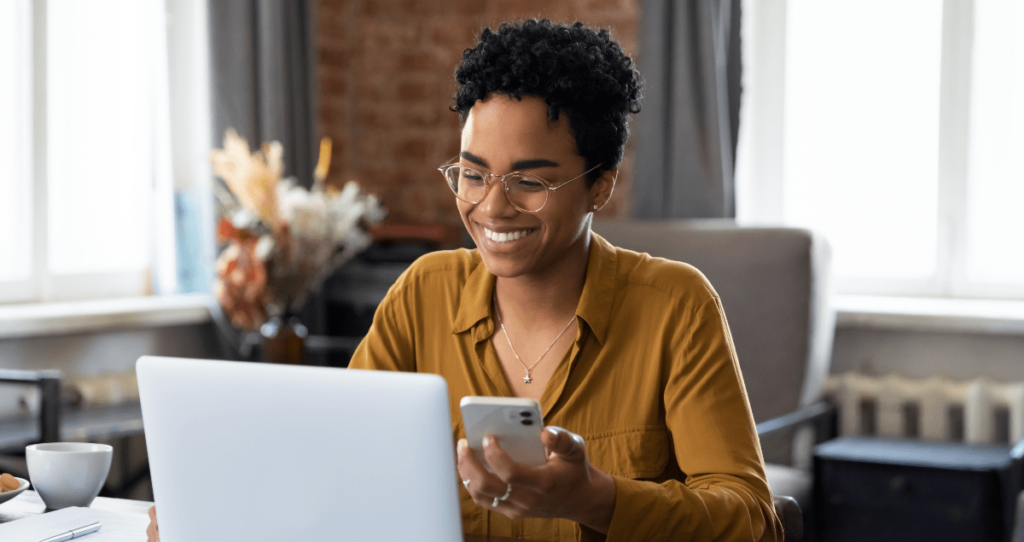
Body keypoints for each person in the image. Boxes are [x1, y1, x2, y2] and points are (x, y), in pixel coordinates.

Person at [147, 19, 783, 542]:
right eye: (472, 174)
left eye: (529, 181)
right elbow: (339, 465)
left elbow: (752, 517)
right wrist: (220, 515)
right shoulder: (423, 294)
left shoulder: (676, 306)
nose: (492, 207)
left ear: (600, 184)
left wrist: (598, 499)